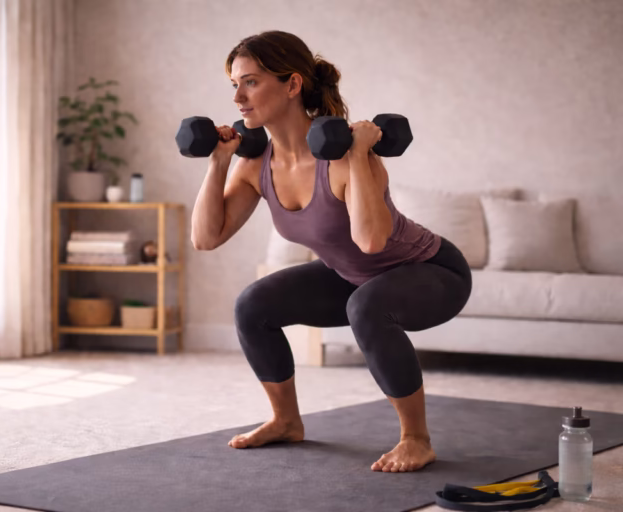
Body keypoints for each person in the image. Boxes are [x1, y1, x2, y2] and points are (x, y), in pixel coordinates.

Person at [190, 30, 472, 473]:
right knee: (253, 305)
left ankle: (416, 439)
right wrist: (218, 160)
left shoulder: (343, 155)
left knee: (368, 306)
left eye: (251, 82)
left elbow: (371, 242)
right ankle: (285, 421)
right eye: (234, 85)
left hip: (432, 271)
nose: (238, 98)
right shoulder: (255, 164)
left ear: (292, 84)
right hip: (352, 276)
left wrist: (359, 155)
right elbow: (206, 238)